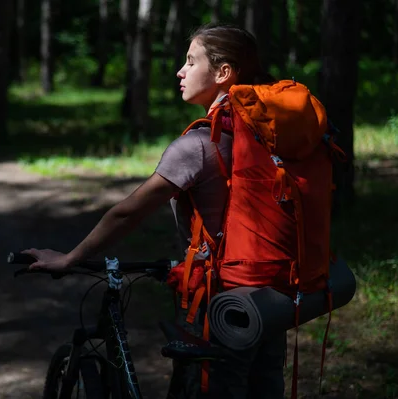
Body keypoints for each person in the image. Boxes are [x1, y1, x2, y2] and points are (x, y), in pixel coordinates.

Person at [22, 23, 284, 399]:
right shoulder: (270, 136)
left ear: (224, 73)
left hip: (219, 303)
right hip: (274, 298)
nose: (180, 71)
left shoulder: (197, 145)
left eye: (191, 61)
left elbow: (128, 213)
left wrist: (70, 258)